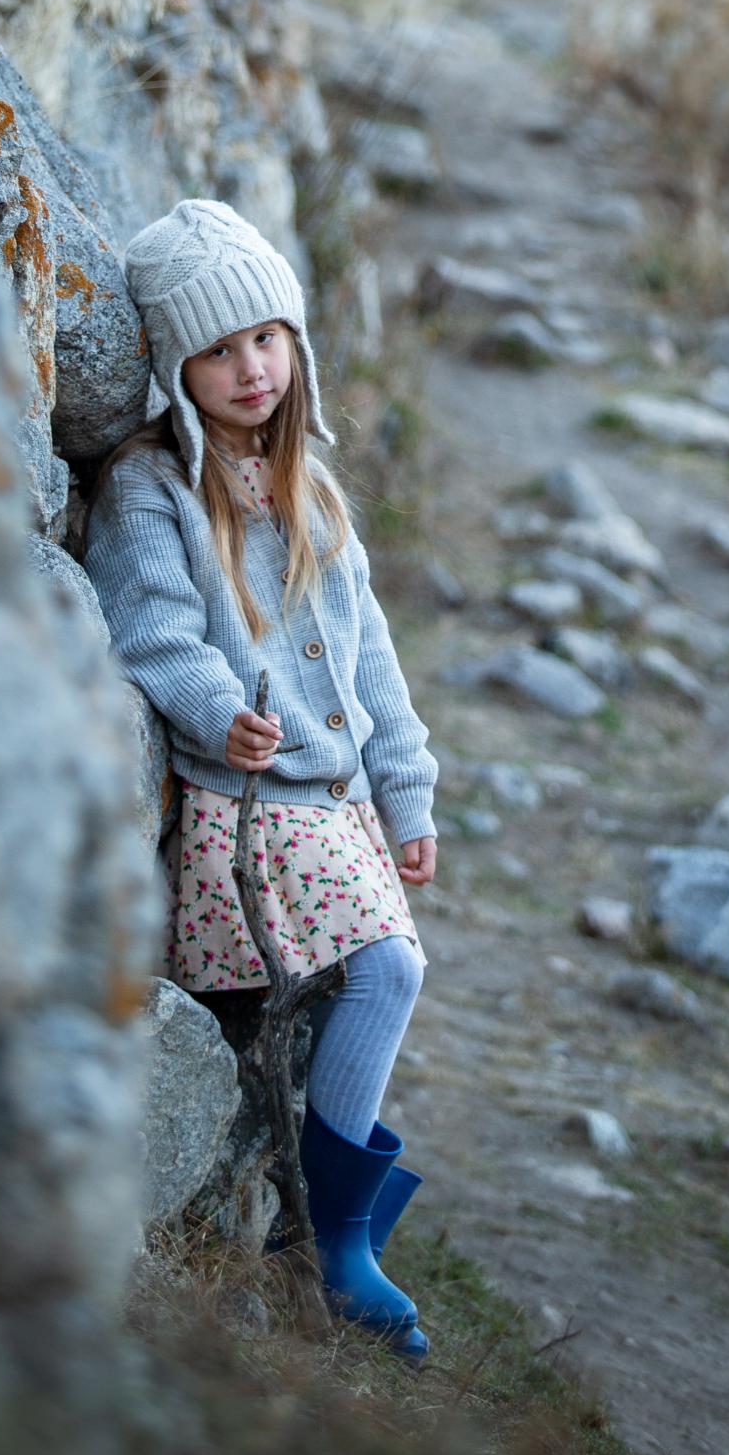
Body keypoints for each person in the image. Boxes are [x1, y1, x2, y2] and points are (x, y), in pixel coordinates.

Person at [85, 198, 438, 1360]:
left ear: (297, 344)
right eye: (220, 349)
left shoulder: (314, 492)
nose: (251, 370)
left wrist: (409, 796)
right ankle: (337, 1241)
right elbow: (154, 631)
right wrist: (219, 711)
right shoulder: (155, 490)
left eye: (267, 339)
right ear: (178, 365)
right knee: (387, 969)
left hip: (333, 814)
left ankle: (328, 1222)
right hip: (247, 813)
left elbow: (372, 663)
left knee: (384, 974)